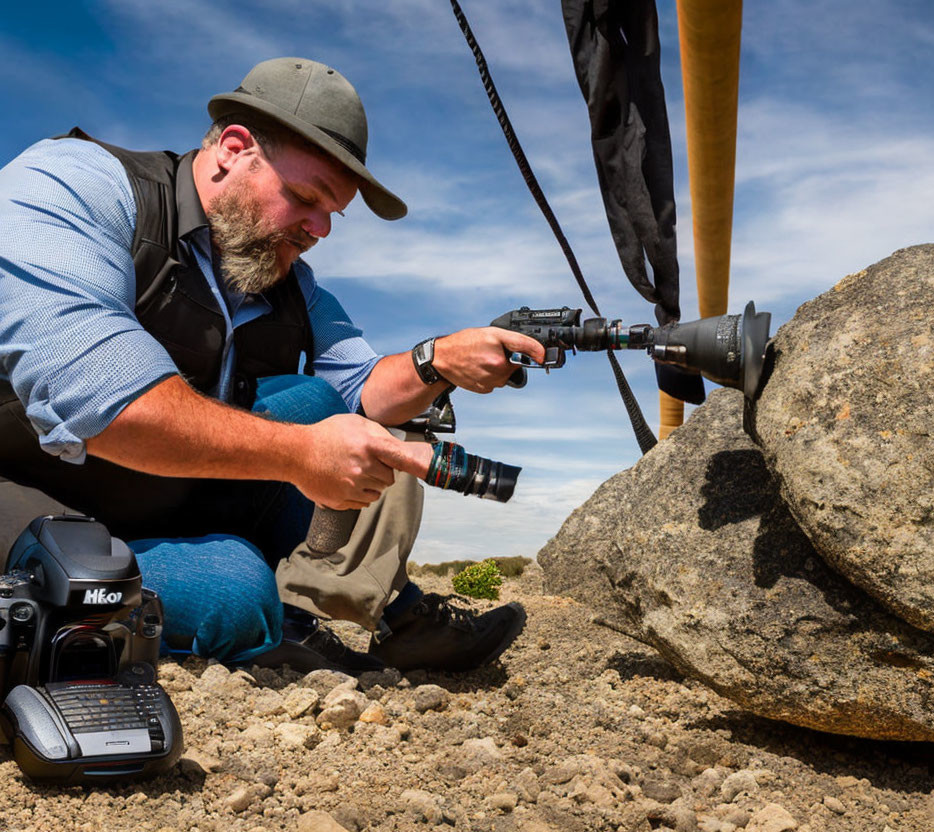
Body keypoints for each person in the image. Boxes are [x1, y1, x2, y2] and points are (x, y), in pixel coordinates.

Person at [0, 57, 545, 673]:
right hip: (32, 490)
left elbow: (363, 390)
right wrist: (297, 454)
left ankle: (385, 613)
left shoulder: (289, 279)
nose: (320, 230)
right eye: (306, 198)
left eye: (332, 214)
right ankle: (271, 617)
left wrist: (437, 359)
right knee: (231, 594)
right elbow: (102, 404)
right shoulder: (76, 185)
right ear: (234, 149)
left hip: (160, 494)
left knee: (317, 407)